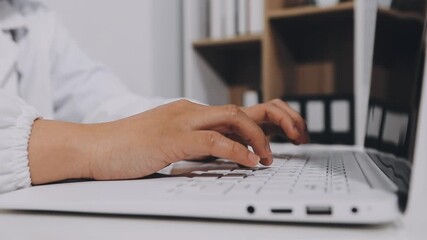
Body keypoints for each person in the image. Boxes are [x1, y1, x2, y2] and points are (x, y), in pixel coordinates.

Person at [0, 0, 309, 194]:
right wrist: (99, 147)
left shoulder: (34, 18)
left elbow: (102, 102)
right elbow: (108, 136)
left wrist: (209, 124)